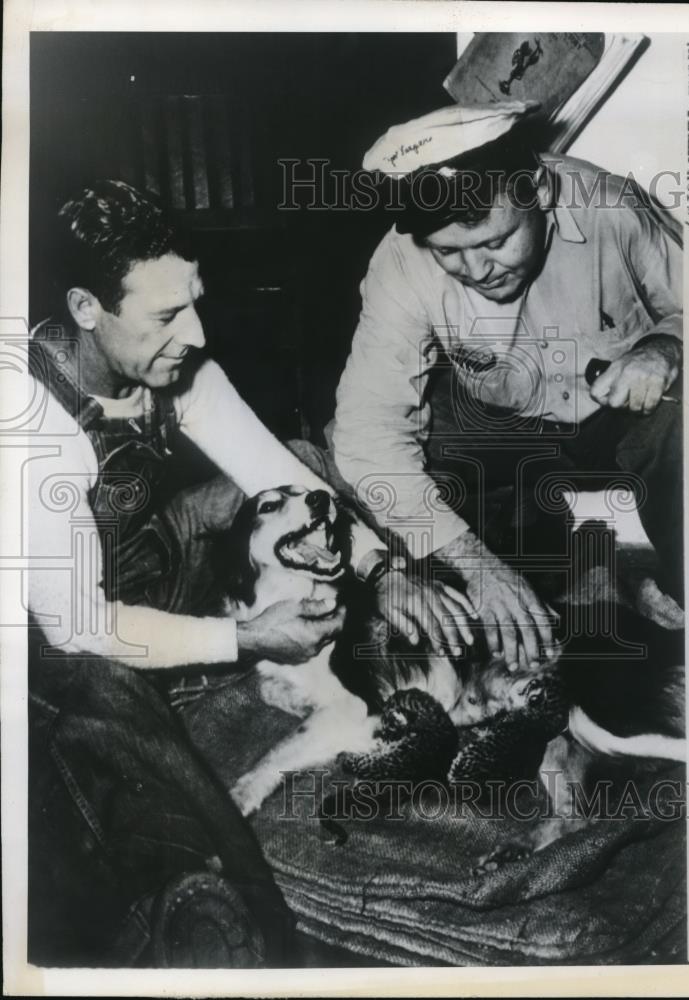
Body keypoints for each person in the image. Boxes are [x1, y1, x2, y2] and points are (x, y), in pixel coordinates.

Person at [25, 180, 473, 967]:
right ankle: (227, 898)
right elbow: (77, 624)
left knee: (299, 466)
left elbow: (274, 470)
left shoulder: (170, 367)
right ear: (85, 307)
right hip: (41, 626)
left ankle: (216, 665)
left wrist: (381, 568)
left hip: (131, 564)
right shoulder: (26, 422)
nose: (196, 334)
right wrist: (241, 636)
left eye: (194, 301)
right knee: (98, 684)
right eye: (166, 316)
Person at [333, 103, 684, 669]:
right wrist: (474, 564)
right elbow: (366, 428)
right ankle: (557, 573)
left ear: (539, 192)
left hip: (627, 422)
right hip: (507, 429)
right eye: (449, 252)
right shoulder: (400, 263)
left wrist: (667, 345)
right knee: (369, 466)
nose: (476, 270)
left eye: (494, 241)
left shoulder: (611, 206)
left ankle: (680, 585)